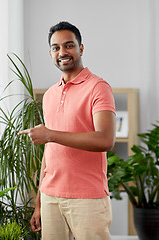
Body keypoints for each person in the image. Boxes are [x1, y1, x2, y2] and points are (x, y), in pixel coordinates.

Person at [18, 21, 116, 240]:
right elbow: (49, 152)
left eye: (69, 45)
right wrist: (39, 202)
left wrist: (50, 134)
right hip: (51, 196)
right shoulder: (50, 95)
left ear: (81, 48)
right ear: (51, 53)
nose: (62, 52)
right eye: (56, 48)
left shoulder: (98, 87)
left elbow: (105, 140)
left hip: (88, 198)